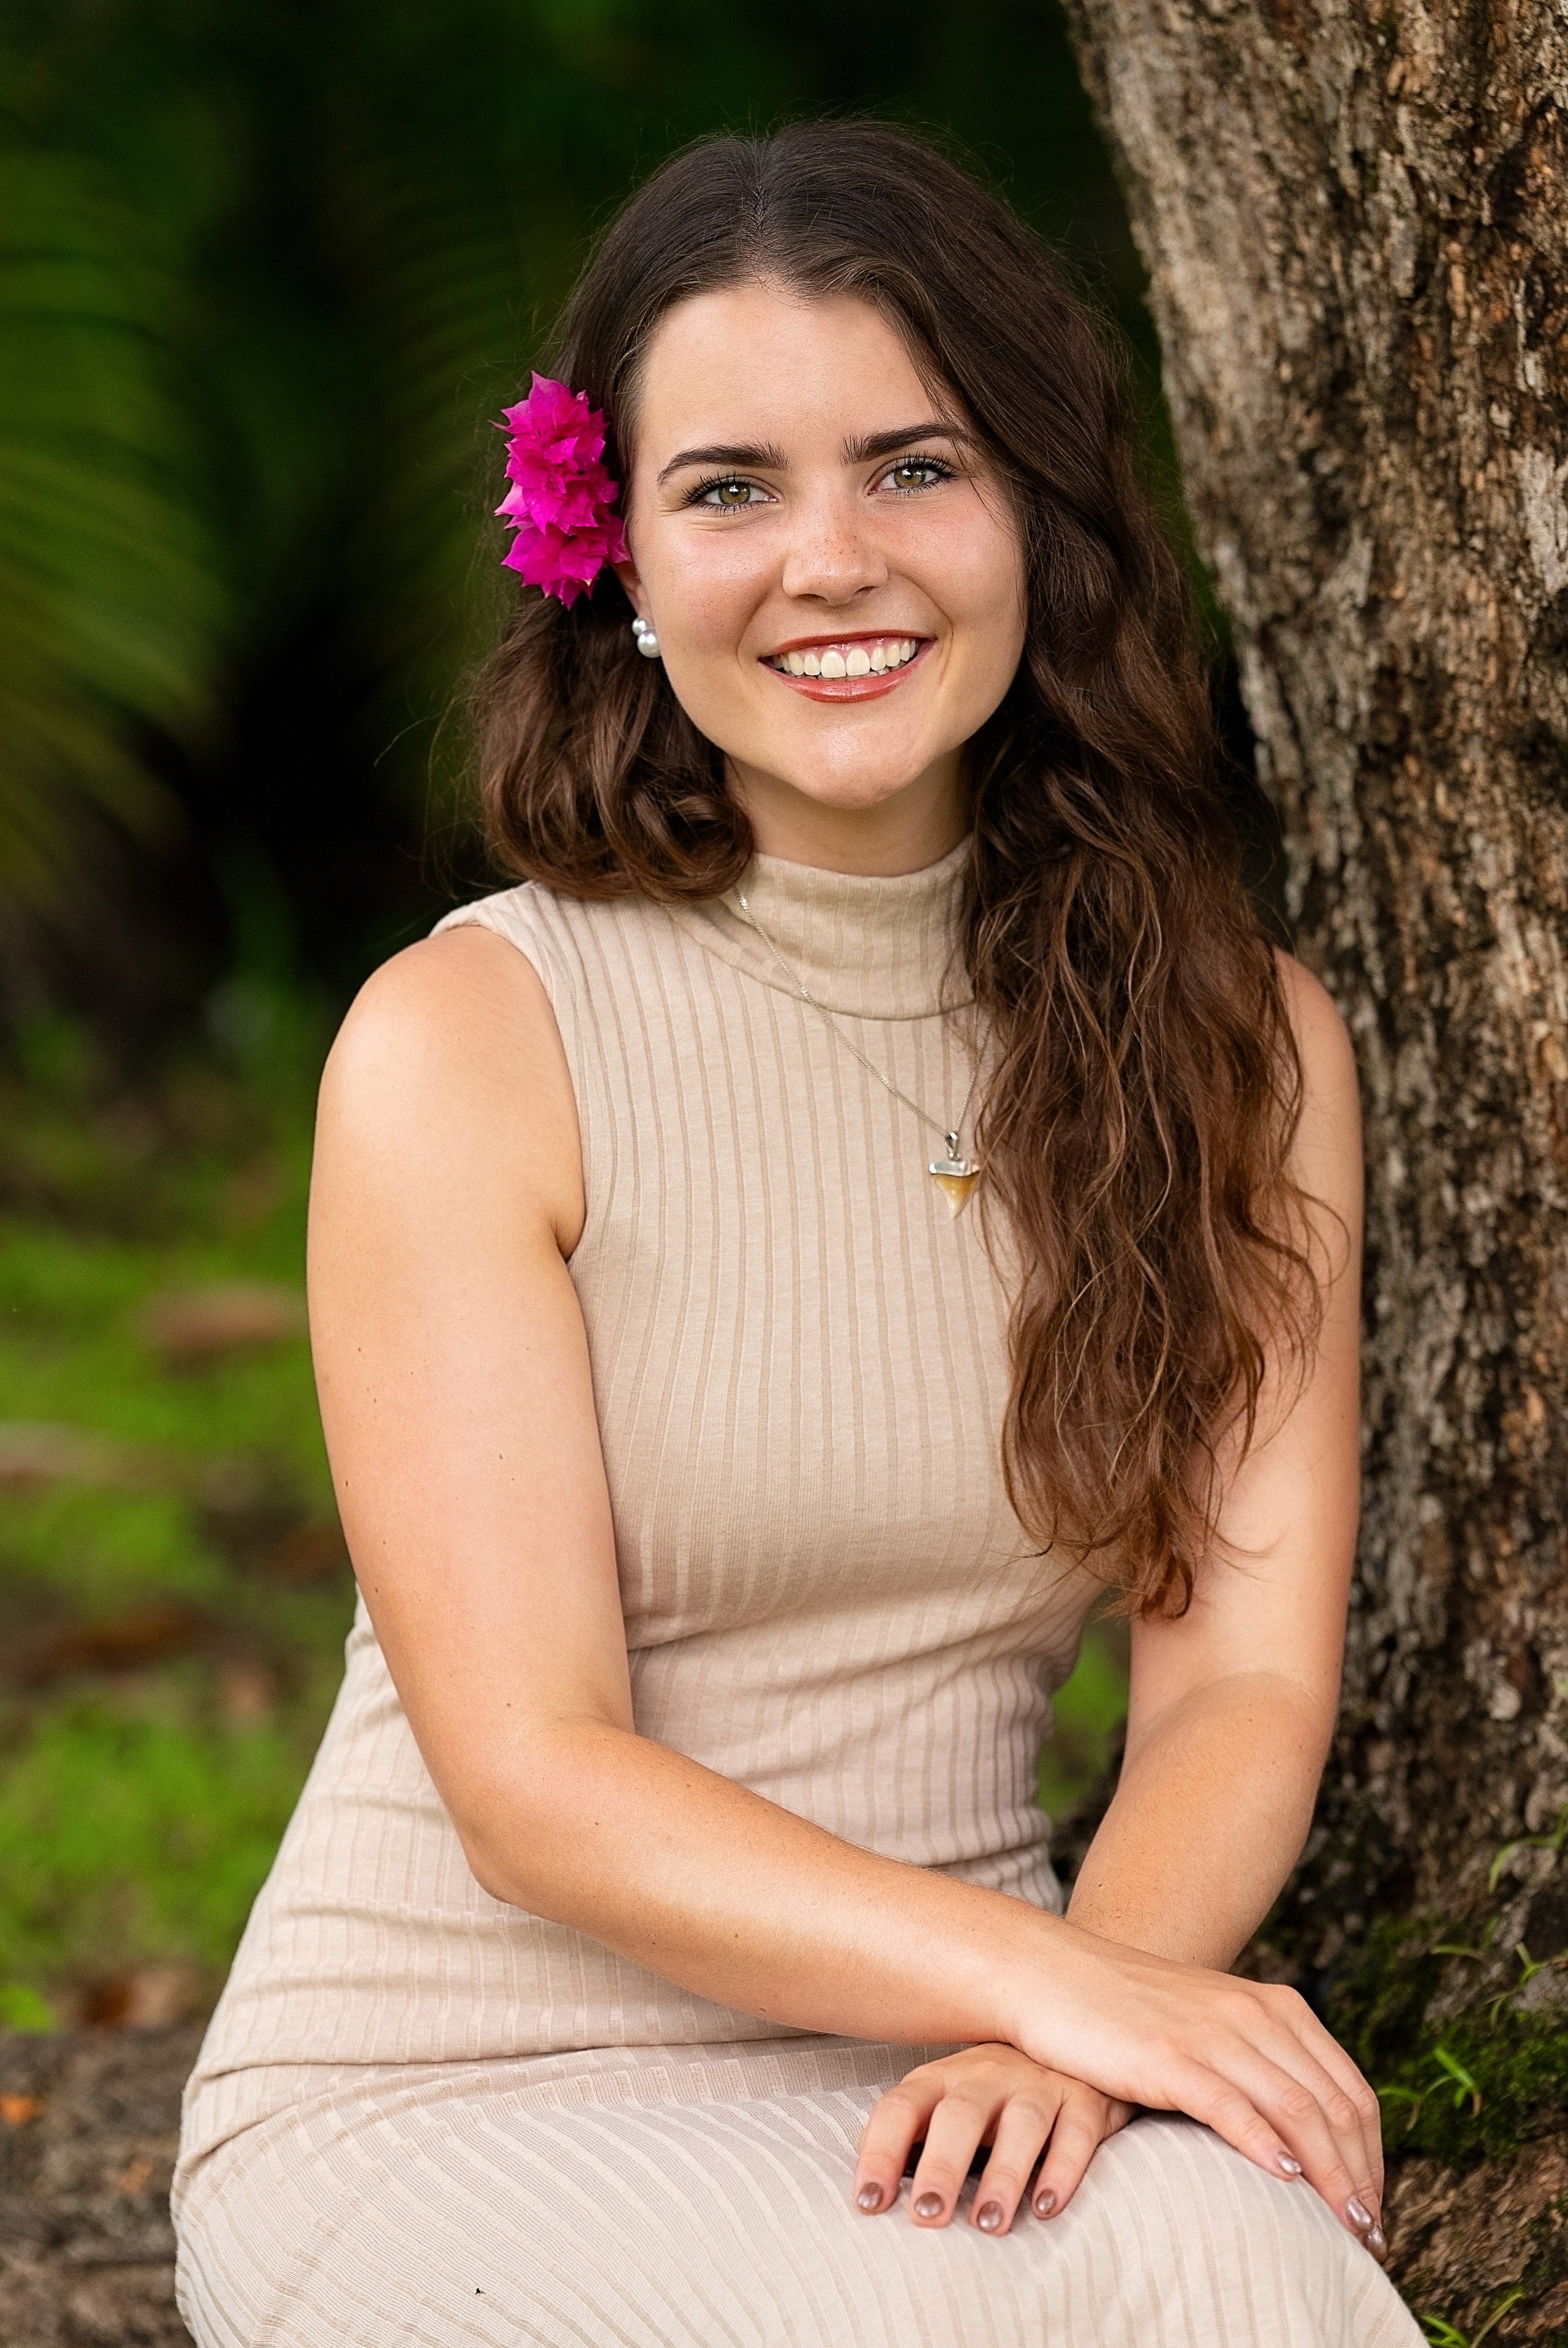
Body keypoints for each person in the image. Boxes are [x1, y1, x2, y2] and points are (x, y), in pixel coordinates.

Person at [173, 122, 1420, 2346]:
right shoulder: (473, 1037)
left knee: (1260, 2276)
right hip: (450, 2085)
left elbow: (1237, 1674)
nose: (830, 561)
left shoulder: (1247, 1044)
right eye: (732, 487)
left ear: (1039, 509)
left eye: (914, 465)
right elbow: (534, 1778)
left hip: (954, 2067)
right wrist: (1070, 1987)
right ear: (620, 556)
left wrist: (1075, 2029)